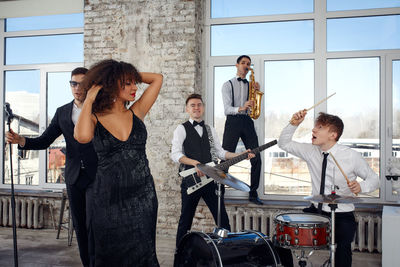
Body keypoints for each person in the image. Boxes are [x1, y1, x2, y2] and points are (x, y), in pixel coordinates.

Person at [74, 59, 163, 266]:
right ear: (113, 84)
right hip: (108, 199)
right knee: (110, 255)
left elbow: (157, 79)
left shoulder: (137, 111)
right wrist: (88, 100)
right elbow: (82, 137)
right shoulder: (94, 117)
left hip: (143, 196)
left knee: (144, 252)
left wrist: (126, 74)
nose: (134, 88)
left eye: (134, 83)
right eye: (128, 83)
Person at [5, 67, 96, 267]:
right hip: (73, 176)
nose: (77, 88)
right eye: (73, 83)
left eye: (82, 83)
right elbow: (45, 140)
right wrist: (22, 140)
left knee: (94, 225)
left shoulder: (100, 109)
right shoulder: (62, 112)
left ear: (90, 85)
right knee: (80, 227)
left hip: (97, 176)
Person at [278, 110, 380, 267]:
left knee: (343, 249)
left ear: (333, 135)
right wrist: (294, 124)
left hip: (342, 214)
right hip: (316, 211)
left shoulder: (351, 156)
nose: (313, 130)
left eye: (319, 127)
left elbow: (375, 180)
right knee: (281, 237)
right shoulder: (310, 151)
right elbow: (284, 143)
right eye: (315, 127)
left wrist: (361, 186)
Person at [171, 93, 254, 249]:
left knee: (223, 220)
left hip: (211, 181)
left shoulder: (210, 129)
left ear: (203, 108)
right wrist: (195, 163)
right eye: (193, 105)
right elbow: (175, 154)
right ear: (187, 109)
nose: (196, 108)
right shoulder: (181, 129)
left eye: (199, 105)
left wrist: (240, 155)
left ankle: (228, 254)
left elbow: (221, 153)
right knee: (185, 221)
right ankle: (179, 255)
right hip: (191, 181)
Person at [221, 55, 263, 205]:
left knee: (256, 157)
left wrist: (256, 92)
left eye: (248, 64)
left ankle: (253, 193)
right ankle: (220, 192)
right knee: (226, 158)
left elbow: (255, 107)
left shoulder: (251, 85)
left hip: (247, 121)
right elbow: (226, 109)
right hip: (233, 121)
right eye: (243, 63)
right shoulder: (227, 85)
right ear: (237, 65)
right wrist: (241, 107)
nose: (246, 65)